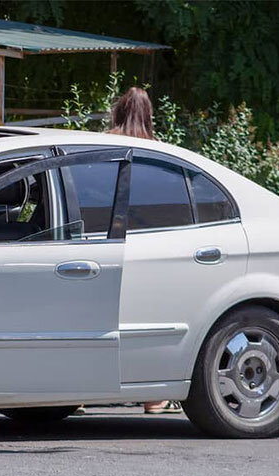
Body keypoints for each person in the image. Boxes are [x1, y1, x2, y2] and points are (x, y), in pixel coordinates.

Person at [108, 86, 183, 416]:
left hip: (106, 241)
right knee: (146, 321)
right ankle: (153, 397)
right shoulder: (158, 152)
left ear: (119, 110)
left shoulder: (106, 143)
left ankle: (79, 394)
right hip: (149, 246)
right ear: (149, 115)